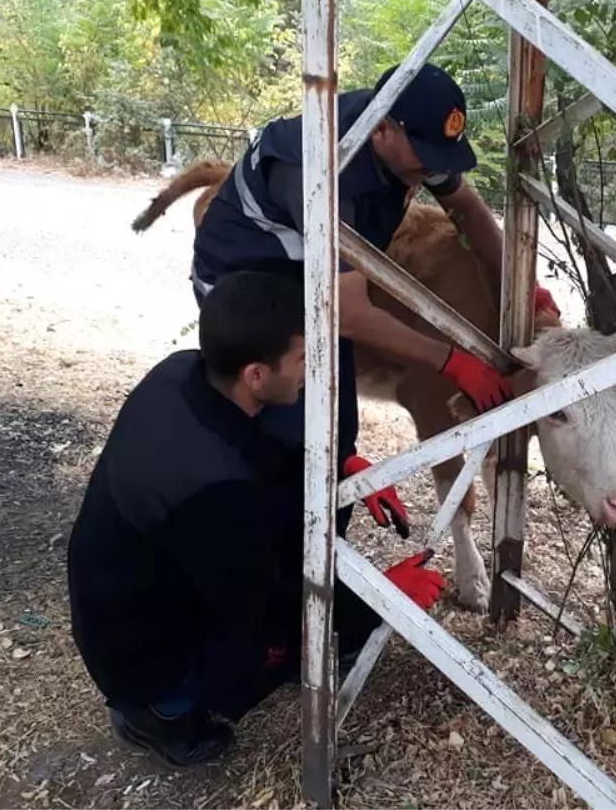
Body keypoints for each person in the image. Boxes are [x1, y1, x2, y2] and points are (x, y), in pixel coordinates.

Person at [66, 270, 447, 768]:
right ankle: (156, 712)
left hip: (145, 573)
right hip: (135, 644)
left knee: (293, 534)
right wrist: (382, 600)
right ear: (256, 374)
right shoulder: (211, 490)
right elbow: (273, 604)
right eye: (301, 360)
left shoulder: (184, 372)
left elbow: (259, 452)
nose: (310, 372)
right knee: (271, 640)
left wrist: (343, 472)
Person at [188, 61, 559, 499]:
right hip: (246, 295)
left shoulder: (409, 140)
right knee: (291, 433)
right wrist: (453, 362)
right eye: (426, 160)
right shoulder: (322, 169)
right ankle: (267, 538)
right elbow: (348, 312)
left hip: (314, 283)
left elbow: (471, 212)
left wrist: (520, 286)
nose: (432, 172)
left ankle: (327, 530)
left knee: (338, 436)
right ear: (382, 130)